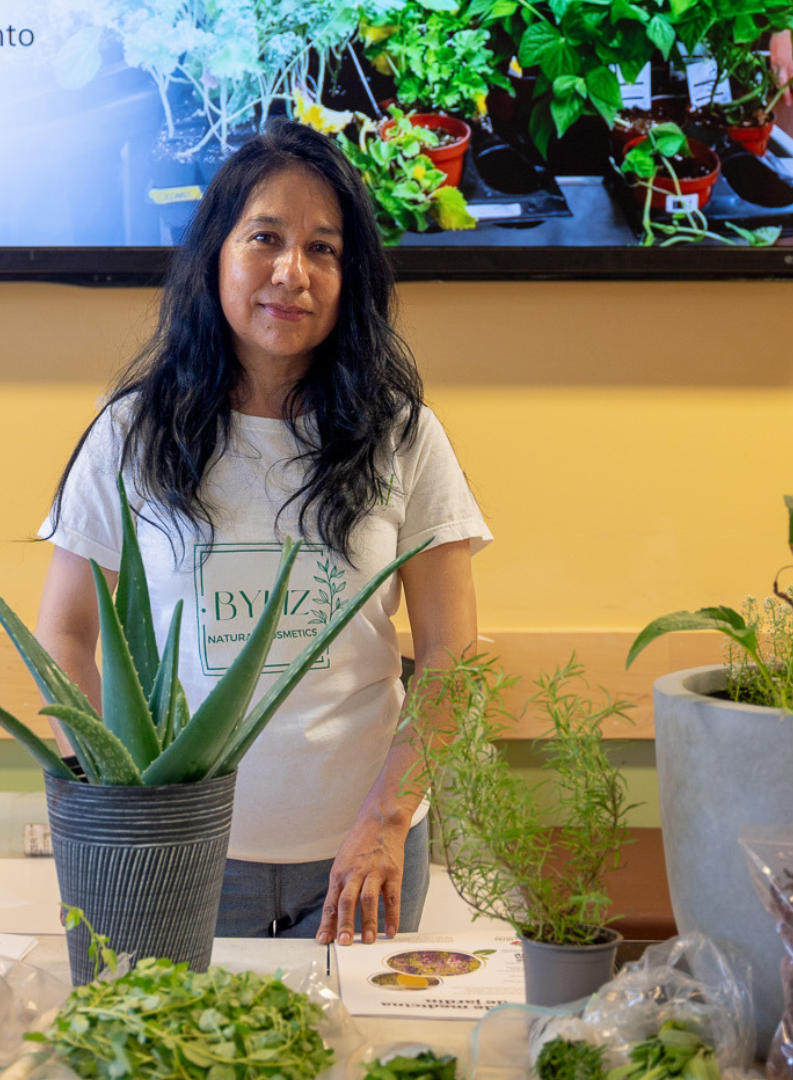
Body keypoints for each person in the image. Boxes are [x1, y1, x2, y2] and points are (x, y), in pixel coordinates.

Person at [36, 121, 489, 948]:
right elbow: (64, 635)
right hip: (179, 856)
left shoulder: (405, 436)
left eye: (325, 249)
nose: (293, 273)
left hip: (367, 854)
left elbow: (453, 655)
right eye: (266, 239)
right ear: (215, 255)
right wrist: (131, 804)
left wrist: (390, 818)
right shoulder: (130, 434)